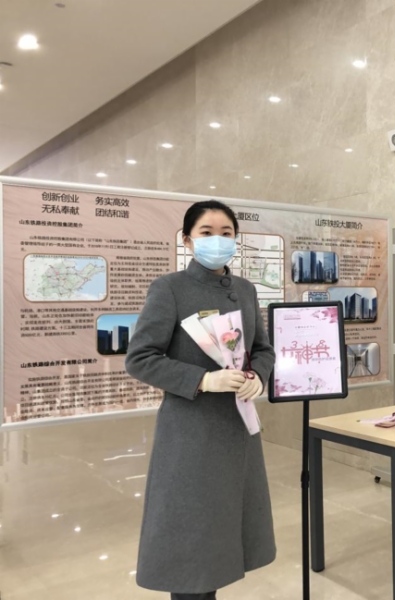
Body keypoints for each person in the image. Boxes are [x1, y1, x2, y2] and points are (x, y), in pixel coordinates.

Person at [126, 200, 277, 599]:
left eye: (226, 233)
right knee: (192, 549)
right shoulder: (170, 288)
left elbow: (262, 349)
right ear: (187, 239)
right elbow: (140, 358)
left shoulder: (245, 289)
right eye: (207, 233)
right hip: (191, 435)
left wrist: (258, 376)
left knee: (226, 533)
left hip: (238, 430)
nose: (218, 240)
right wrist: (203, 380)